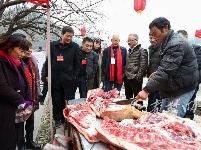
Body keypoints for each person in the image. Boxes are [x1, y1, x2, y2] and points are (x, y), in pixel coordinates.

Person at [135, 17, 199, 118]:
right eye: (151, 35)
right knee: (163, 116)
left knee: (173, 118)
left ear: (165, 28)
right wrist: (157, 73)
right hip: (173, 84)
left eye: (155, 33)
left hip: (183, 86)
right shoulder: (166, 41)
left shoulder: (176, 43)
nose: (154, 37)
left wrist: (146, 90)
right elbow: (169, 65)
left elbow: (166, 70)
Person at [0, 33, 32, 150]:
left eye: (24, 51)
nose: (23, 55)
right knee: (6, 141)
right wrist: (20, 100)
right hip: (4, 109)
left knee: (15, 138)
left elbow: (25, 81)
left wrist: (28, 98)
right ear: (10, 47)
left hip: (16, 108)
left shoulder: (17, 62)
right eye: (21, 50)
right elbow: (2, 87)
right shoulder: (2, 62)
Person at [45, 26, 80, 128]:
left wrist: (74, 76)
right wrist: (47, 75)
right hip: (55, 77)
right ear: (62, 34)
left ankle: (66, 118)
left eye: (71, 36)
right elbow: (48, 62)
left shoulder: (75, 47)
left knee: (67, 99)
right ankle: (57, 118)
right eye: (67, 36)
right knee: (56, 100)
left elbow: (77, 63)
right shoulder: (53, 46)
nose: (69, 38)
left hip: (68, 79)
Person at [177, 30, 201, 120]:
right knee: (180, 103)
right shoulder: (178, 50)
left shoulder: (196, 48)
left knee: (189, 101)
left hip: (193, 81)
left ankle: (188, 120)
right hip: (180, 81)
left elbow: (197, 64)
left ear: (186, 37)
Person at [22, 40, 41, 149]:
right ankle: (20, 142)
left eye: (31, 47)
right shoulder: (17, 60)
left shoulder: (32, 59)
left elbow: (37, 77)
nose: (30, 50)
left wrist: (37, 92)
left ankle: (29, 140)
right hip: (21, 96)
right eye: (27, 48)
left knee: (31, 118)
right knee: (19, 121)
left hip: (32, 95)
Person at [124, 34, 148, 106]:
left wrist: (138, 77)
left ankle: (138, 114)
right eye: (128, 41)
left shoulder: (142, 50)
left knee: (138, 99)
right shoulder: (129, 51)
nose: (129, 42)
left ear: (136, 41)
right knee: (128, 98)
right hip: (127, 77)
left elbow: (143, 65)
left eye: (131, 40)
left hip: (135, 78)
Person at [146, 35, 162, 113]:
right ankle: (148, 117)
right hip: (151, 79)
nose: (152, 40)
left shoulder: (163, 48)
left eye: (154, 37)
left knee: (156, 101)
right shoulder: (151, 48)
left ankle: (154, 120)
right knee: (151, 99)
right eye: (150, 38)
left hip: (159, 79)